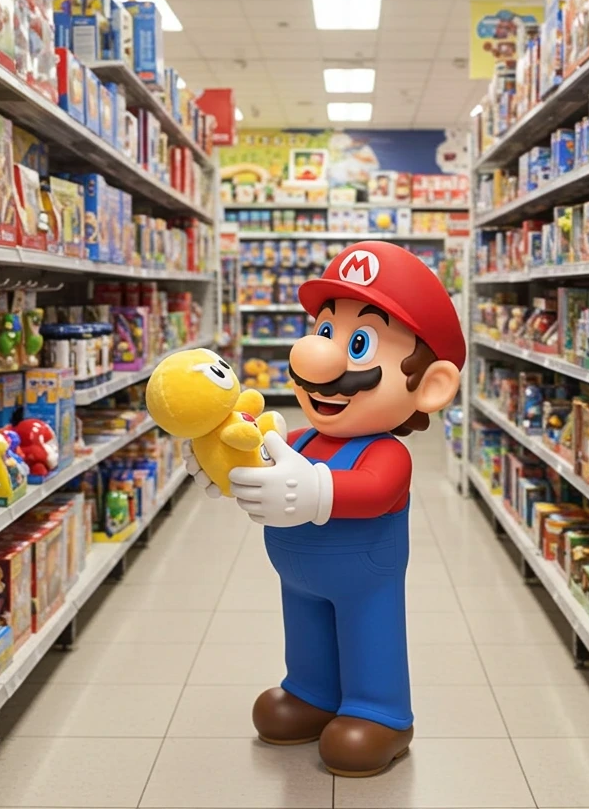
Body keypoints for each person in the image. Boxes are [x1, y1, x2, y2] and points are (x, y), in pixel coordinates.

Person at [184, 241, 465, 776]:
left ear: (431, 385)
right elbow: (257, 458)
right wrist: (221, 463)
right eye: (324, 331)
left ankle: (380, 713)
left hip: (365, 580)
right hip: (298, 576)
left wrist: (315, 493)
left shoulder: (388, 453)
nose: (320, 357)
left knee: (370, 631)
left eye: (359, 342)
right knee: (306, 632)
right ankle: (312, 693)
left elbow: (374, 491)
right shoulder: (304, 436)